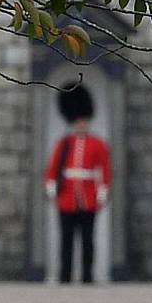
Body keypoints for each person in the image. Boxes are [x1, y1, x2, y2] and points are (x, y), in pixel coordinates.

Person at [44, 80, 112, 284]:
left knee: (88, 240)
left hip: (88, 198)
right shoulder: (64, 143)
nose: (81, 124)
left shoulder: (98, 144)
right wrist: (52, 190)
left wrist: (102, 192)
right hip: (66, 197)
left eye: (84, 121)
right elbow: (53, 168)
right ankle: (65, 276)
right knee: (66, 239)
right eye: (78, 121)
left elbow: (105, 169)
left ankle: (87, 277)